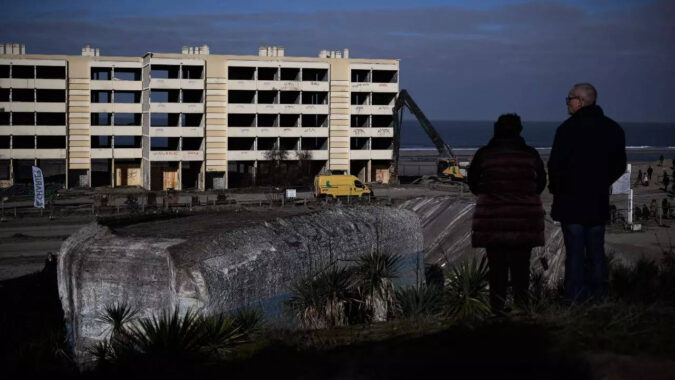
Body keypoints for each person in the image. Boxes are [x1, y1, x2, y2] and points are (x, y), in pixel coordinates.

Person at [548, 83, 626, 302]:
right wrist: (600, 182)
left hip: (570, 203)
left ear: (580, 101)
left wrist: (559, 189)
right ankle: (600, 299)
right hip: (597, 200)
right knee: (596, 254)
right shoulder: (613, 129)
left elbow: (555, 166)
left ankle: (575, 300)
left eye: (569, 98)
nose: (567, 102)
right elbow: (619, 165)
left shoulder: (566, 129)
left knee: (574, 255)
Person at [469, 113, 546, 315]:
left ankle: (497, 310)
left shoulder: (484, 154)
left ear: (496, 129)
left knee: (497, 269)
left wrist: (490, 195)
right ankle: (522, 309)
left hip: (493, 219)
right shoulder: (530, 154)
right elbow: (541, 184)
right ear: (519, 130)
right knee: (522, 269)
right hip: (524, 219)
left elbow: (473, 183)